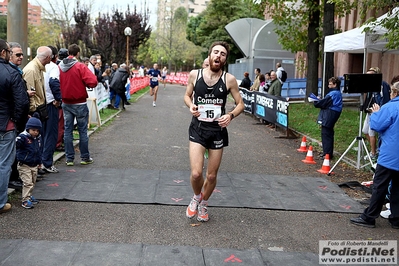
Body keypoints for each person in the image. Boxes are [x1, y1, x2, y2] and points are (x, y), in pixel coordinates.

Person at [184, 41, 244, 222]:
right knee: (196, 174)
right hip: (198, 128)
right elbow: (187, 95)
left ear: (225, 60)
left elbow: (240, 103)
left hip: (217, 131)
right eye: (216, 52)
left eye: (223, 54)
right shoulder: (195, 75)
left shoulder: (229, 79)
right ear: (210, 55)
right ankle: (196, 197)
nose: (218, 56)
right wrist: (191, 105)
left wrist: (231, 115)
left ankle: (204, 203)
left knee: (211, 175)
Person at [350, 82, 399, 229]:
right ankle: (396, 218)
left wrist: (376, 113)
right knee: (398, 188)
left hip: (390, 155)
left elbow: (377, 126)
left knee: (380, 187)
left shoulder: (390, 107)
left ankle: (369, 216)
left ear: (394, 93)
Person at [0, 39, 30, 214]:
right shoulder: (11, 73)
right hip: (6, 125)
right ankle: (1, 202)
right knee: (4, 165)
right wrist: (17, 121)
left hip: (7, 122)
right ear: (4, 52)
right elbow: (22, 102)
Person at [58, 44, 98, 166]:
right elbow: (93, 81)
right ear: (78, 53)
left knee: (68, 131)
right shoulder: (80, 66)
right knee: (82, 131)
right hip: (79, 102)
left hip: (65, 102)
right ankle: (84, 157)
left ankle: (69, 158)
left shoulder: (59, 67)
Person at [8, 42, 31, 190]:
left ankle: (15, 176)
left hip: (19, 117)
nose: (21, 57)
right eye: (18, 55)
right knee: (11, 151)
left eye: (22, 54)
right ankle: (12, 178)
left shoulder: (17, 71)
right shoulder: (11, 72)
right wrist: (16, 117)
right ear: (9, 55)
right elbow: (13, 98)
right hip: (13, 118)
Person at [362, 67, 391, 160]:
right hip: (370, 111)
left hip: (376, 112)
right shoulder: (371, 85)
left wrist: (379, 111)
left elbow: (385, 100)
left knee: (372, 132)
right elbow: (369, 98)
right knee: (364, 130)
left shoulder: (382, 85)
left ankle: (373, 153)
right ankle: (373, 149)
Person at [41, 46, 62, 173]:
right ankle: (47, 163)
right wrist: (58, 98)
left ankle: (40, 162)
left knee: (41, 134)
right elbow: (54, 82)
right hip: (50, 103)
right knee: (51, 134)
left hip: (40, 103)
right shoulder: (53, 67)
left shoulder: (37, 66)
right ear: (54, 56)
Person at [16, 114, 42, 209]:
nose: (35, 132)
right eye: (33, 130)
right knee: (27, 182)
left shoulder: (37, 139)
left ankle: (29, 196)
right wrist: (17, 140)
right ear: (28, 129)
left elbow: (38, 151)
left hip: (34, 164)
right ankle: (25, 200)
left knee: (33, 181)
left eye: (37, 130)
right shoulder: (23, 137)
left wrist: (39, 161)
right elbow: (16, 145)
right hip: (24, 164)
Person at [314, 77, 343, 160]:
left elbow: (323, 103)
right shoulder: (336, 93)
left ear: (335, 85)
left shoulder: (333, 94)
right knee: (327, 133)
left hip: (330, 114)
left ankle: (327, 154)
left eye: (330, 84)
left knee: (326, 133)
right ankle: (327, 152)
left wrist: (316, 101)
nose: (328, 86)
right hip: (332, 113)